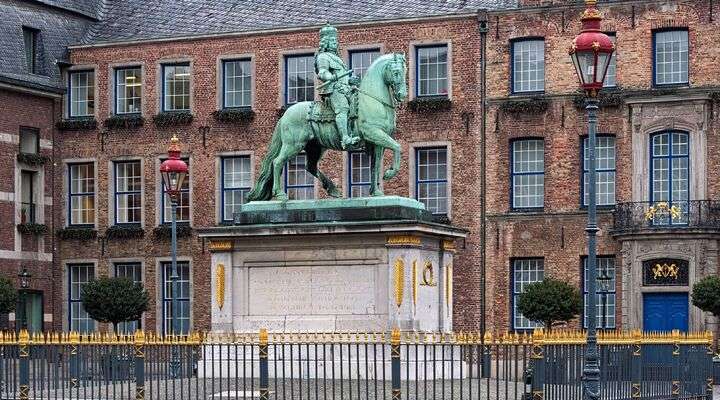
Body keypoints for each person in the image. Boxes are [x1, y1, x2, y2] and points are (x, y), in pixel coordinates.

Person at [315, 24, 358, 149]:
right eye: (332, 41)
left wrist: (351, 80)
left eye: (335, 41)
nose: (335, 43)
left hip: (346, 88)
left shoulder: (337, 58)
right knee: (342, 109)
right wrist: (329, 77)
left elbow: (342, 76)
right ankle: (345, 138)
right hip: (333, 89)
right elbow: (322, 72)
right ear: (326, 43)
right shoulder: (323, 56)